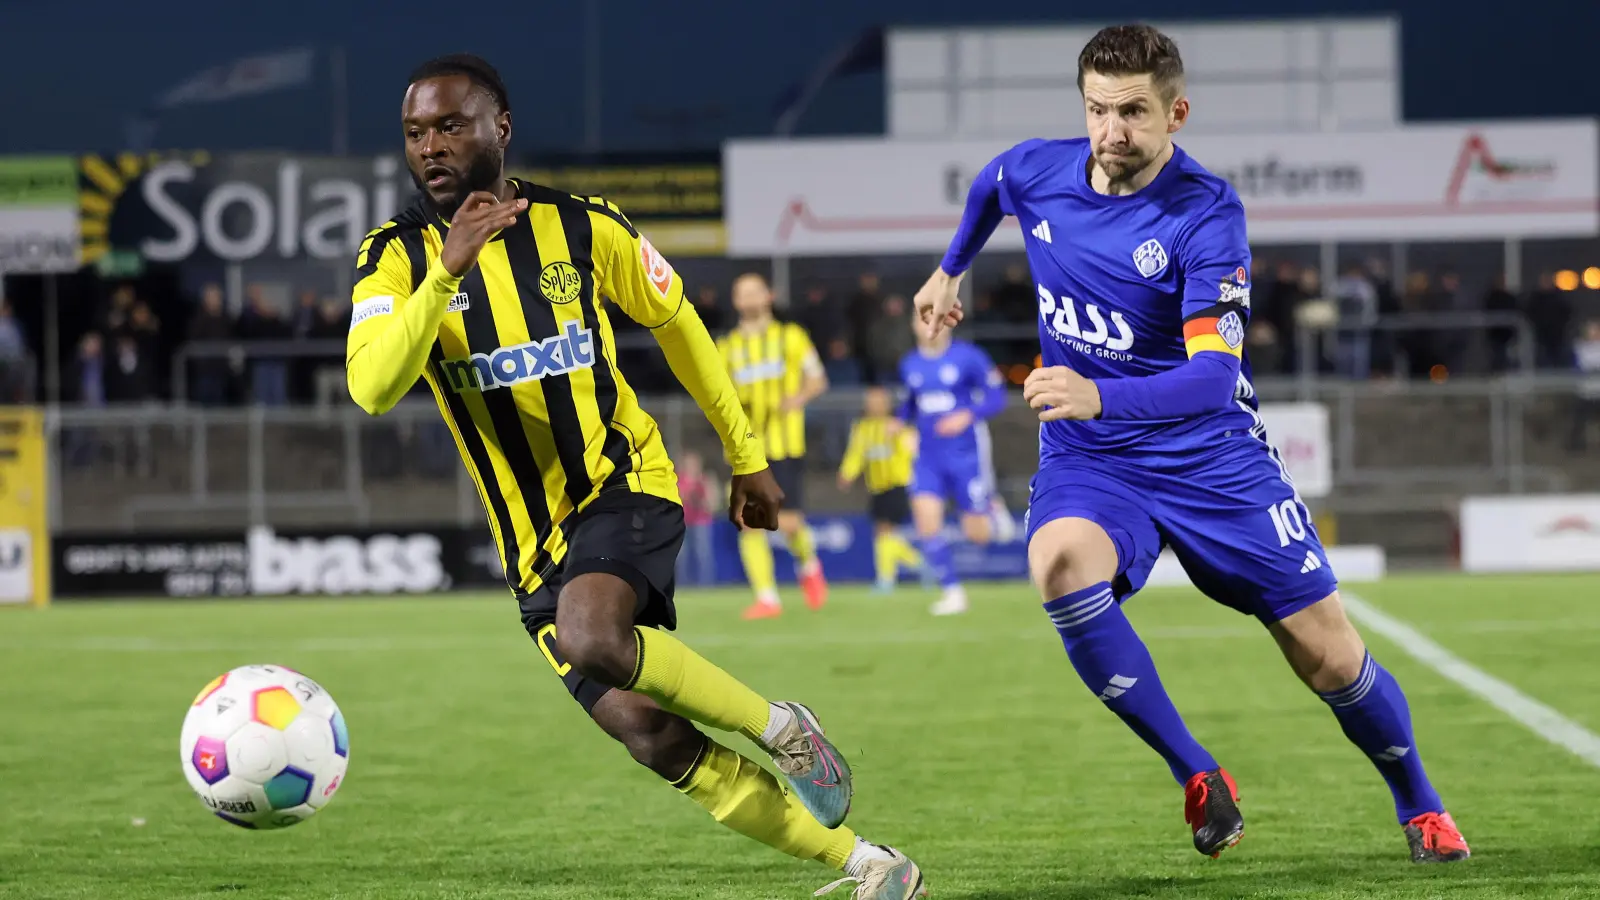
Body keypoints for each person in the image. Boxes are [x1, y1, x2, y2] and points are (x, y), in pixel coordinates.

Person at [347, 54, 925, 900]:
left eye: (450, 126)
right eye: (414, 132)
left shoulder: (583, 227)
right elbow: (371, 387)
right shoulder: (394, 257)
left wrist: (745, 454)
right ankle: (870, 865)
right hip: (531, 549)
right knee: (652, 736)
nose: (429, 146)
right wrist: (445, 274)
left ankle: (779, 726)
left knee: (593, 637)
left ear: (500, 129)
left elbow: (679, 322)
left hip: (624, 482)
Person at [913, 25, 1467, 864]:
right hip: (1095, 456)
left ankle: (1419, 803)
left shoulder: (1206, 215)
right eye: (1097, 110)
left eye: (1133, 112)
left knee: (1328, 657)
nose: (1111, 132)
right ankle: (1199, 773)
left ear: (1176, 113)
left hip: (1210, 457)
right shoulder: (1037, 169)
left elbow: (1212, 378)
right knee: (1058, 564)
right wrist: (950, 268)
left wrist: (1097, 393)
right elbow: (993, 184)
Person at [716, 273, 831, 620]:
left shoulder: (791, 337)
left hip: (785, 444)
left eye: (755, 291)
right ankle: (767, 598)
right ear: (736, 301)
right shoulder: (726, 347)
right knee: (748, 520)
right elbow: (718, 394)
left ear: (769, 296)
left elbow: (818, 379)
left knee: (790, 522)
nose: (749, 298)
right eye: (742, 292)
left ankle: (809, 565)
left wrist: (797, 398)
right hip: (747, 448)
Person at [897, 318, 1006, 616]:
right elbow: (910, 404)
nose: (929, 325)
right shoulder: (909, 363)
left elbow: (997, 397)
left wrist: (967, 415)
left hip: (965, 454)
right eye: (922, 319)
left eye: (936, 319)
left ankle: (991, 508)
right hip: (927, 457)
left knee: (977, 534)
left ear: (948, 323)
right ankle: (953, 592)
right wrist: (900, 424)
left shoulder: (969, 357)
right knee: (925, 520)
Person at [837, 386, 923, 593]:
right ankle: (919, 564)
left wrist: (903, 434)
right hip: (876, 487)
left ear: (887, 404)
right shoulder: (862, 428)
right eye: (870, 402)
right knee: (885, 532)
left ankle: (887, 578)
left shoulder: (898, 426)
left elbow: (913, 452)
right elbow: (856, 454)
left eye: (878, 402)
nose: (873, 406)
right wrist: (847, 474)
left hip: (897, 484)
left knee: (884, 530)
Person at [675, 451, 720, 586]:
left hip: (702, 522)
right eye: (689, 463)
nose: (692, 466)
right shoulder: (677, 480)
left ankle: (706, 584)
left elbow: (713, 504)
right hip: (682, 522)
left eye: (694, 463)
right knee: (681, 555)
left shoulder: (705, 480)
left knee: (703, 554)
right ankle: (682, 584)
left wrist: (705, 497)